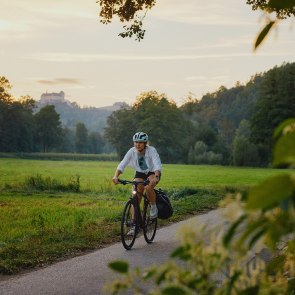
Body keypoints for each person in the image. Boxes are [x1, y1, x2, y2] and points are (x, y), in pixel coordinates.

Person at [112, 132, 162, 221]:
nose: (137, 144)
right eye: (136, 142)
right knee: (135, 198)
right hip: (140, 173)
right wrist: (116, 176)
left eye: (140, 142)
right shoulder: (131, 151)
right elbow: (122, 164)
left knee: (148, 187)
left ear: (145, 143)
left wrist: (156, 177)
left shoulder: (152, 150)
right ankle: (134, 224)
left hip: (152, 172)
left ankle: (153, 207)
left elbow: (157, 164)